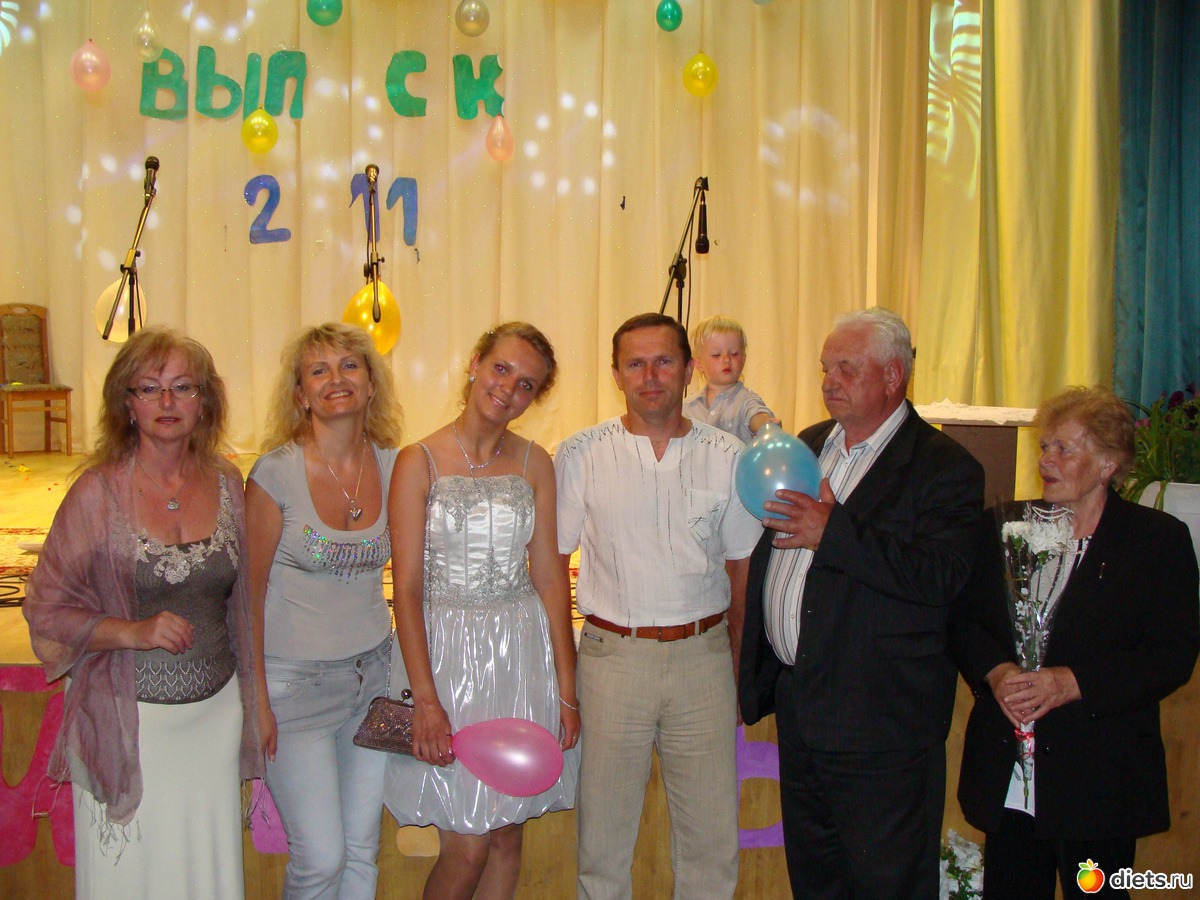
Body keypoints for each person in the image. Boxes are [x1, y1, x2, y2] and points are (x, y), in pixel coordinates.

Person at [738, 307, 984, 898]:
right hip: (803, 709)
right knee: (816, 882)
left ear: (893, 376)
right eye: (825, 368)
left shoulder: (945, 467)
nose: (829, 381)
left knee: (886, 884)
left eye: (846, 368)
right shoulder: (809, 444)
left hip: (883, 725)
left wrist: (835, 531)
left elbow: (941, 577)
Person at [23, 326, 262, 898]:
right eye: (149, 388)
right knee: (130, 878)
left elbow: (244, 608)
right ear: (126, 404)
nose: (167, 401)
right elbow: (45, 608)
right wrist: (131, 631)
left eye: (183, 387)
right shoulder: (96, 493)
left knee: (204, 870)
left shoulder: (229, 484)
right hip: (130, 723)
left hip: (214, 721)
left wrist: (256, 703)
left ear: (204, 402)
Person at [954, 386, 1199, 899]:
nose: (1046, 460)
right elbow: (963, 619)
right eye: (1045, 447)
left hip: (1099, 782)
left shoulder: (1157, 541)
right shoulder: (1005, 526)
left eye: (1064, 449)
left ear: (1108, 464)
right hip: (1009, 776)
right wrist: (997, 672)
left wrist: (1071, 682)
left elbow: (1171, 655)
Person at [556, 312, 762, 899]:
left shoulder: (729, 455)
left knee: (711, 846)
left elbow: (741, 571)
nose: (650, 376)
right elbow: (550, 564)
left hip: (704, 661)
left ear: (689, 369)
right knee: (602, 848)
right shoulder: (581, 453)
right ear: (616, 374)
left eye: (664, 361)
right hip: (611, 660)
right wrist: (565, 677)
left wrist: (736, 667)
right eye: (635, 364)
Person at [384, 322, 579, 899]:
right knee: (466, 846)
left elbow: (550, 580)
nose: (508, 388)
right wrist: (425, 700)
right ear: (474, 363)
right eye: (501, 369)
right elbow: (407, 589)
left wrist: (567, 691)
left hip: (519, 657)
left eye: (526, 384)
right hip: (445, 661)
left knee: (506, 836)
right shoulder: (417, 460)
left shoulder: (535, 463)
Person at [245, 322, 403, 899]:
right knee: (321, 859)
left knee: (361, 852)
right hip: (294, 689)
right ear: (301, 395)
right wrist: (257, 700)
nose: (336, 379)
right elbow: (248, 597)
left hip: (373, 681)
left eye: (349, 366)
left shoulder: (395, 466)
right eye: (319, 370)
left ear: (371, 384)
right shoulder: (275, 474)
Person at [683, 314, 779, 442]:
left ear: (744, 359)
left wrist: (767, 425)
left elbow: (757, 415)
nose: (727, 359)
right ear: (699, 363)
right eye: (716, 355)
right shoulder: (688, 407)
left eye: (734, 353)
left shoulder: (746, 400)